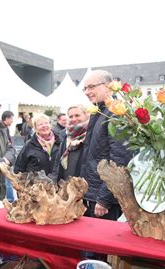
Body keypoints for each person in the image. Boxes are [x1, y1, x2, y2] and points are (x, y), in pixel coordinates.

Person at [79, 69, 132, 221]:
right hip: (92, 194)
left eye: (91, 87)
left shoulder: (116, 114)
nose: (87, 92)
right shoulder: (100, 112)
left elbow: (120, 160)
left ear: (108, 86)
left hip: (102, 200)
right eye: (85, 88)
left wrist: (104, 198)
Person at [52, 105, 90, 181]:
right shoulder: (65, 134)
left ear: (86, 115)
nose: (74, 119)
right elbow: (58, 161)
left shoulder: (90, 133)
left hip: (83, 183)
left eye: (77, 115)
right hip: (65, 182)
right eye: (71, 116)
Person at [1, 110, 16, 202]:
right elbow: (7, 144)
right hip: (5, 158)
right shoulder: (3, 128)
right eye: (11, 119)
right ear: (6, 119)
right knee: (8, 179)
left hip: (6, 157)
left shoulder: (4, 127)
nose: (12, 121)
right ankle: (10, 199)